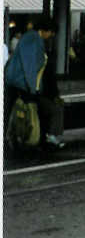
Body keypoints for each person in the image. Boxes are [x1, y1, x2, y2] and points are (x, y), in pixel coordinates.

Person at [5, 15, 65, 149]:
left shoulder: (35, 39)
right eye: (51, 32)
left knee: (22, 112)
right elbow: (30, 66)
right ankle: (20, 139)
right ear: (46, 30)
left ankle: (22, 138)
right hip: (20, 85)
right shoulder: (32, 39)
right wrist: (33, 89)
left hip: (25, 85)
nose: (51, 36)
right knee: (21, 112)